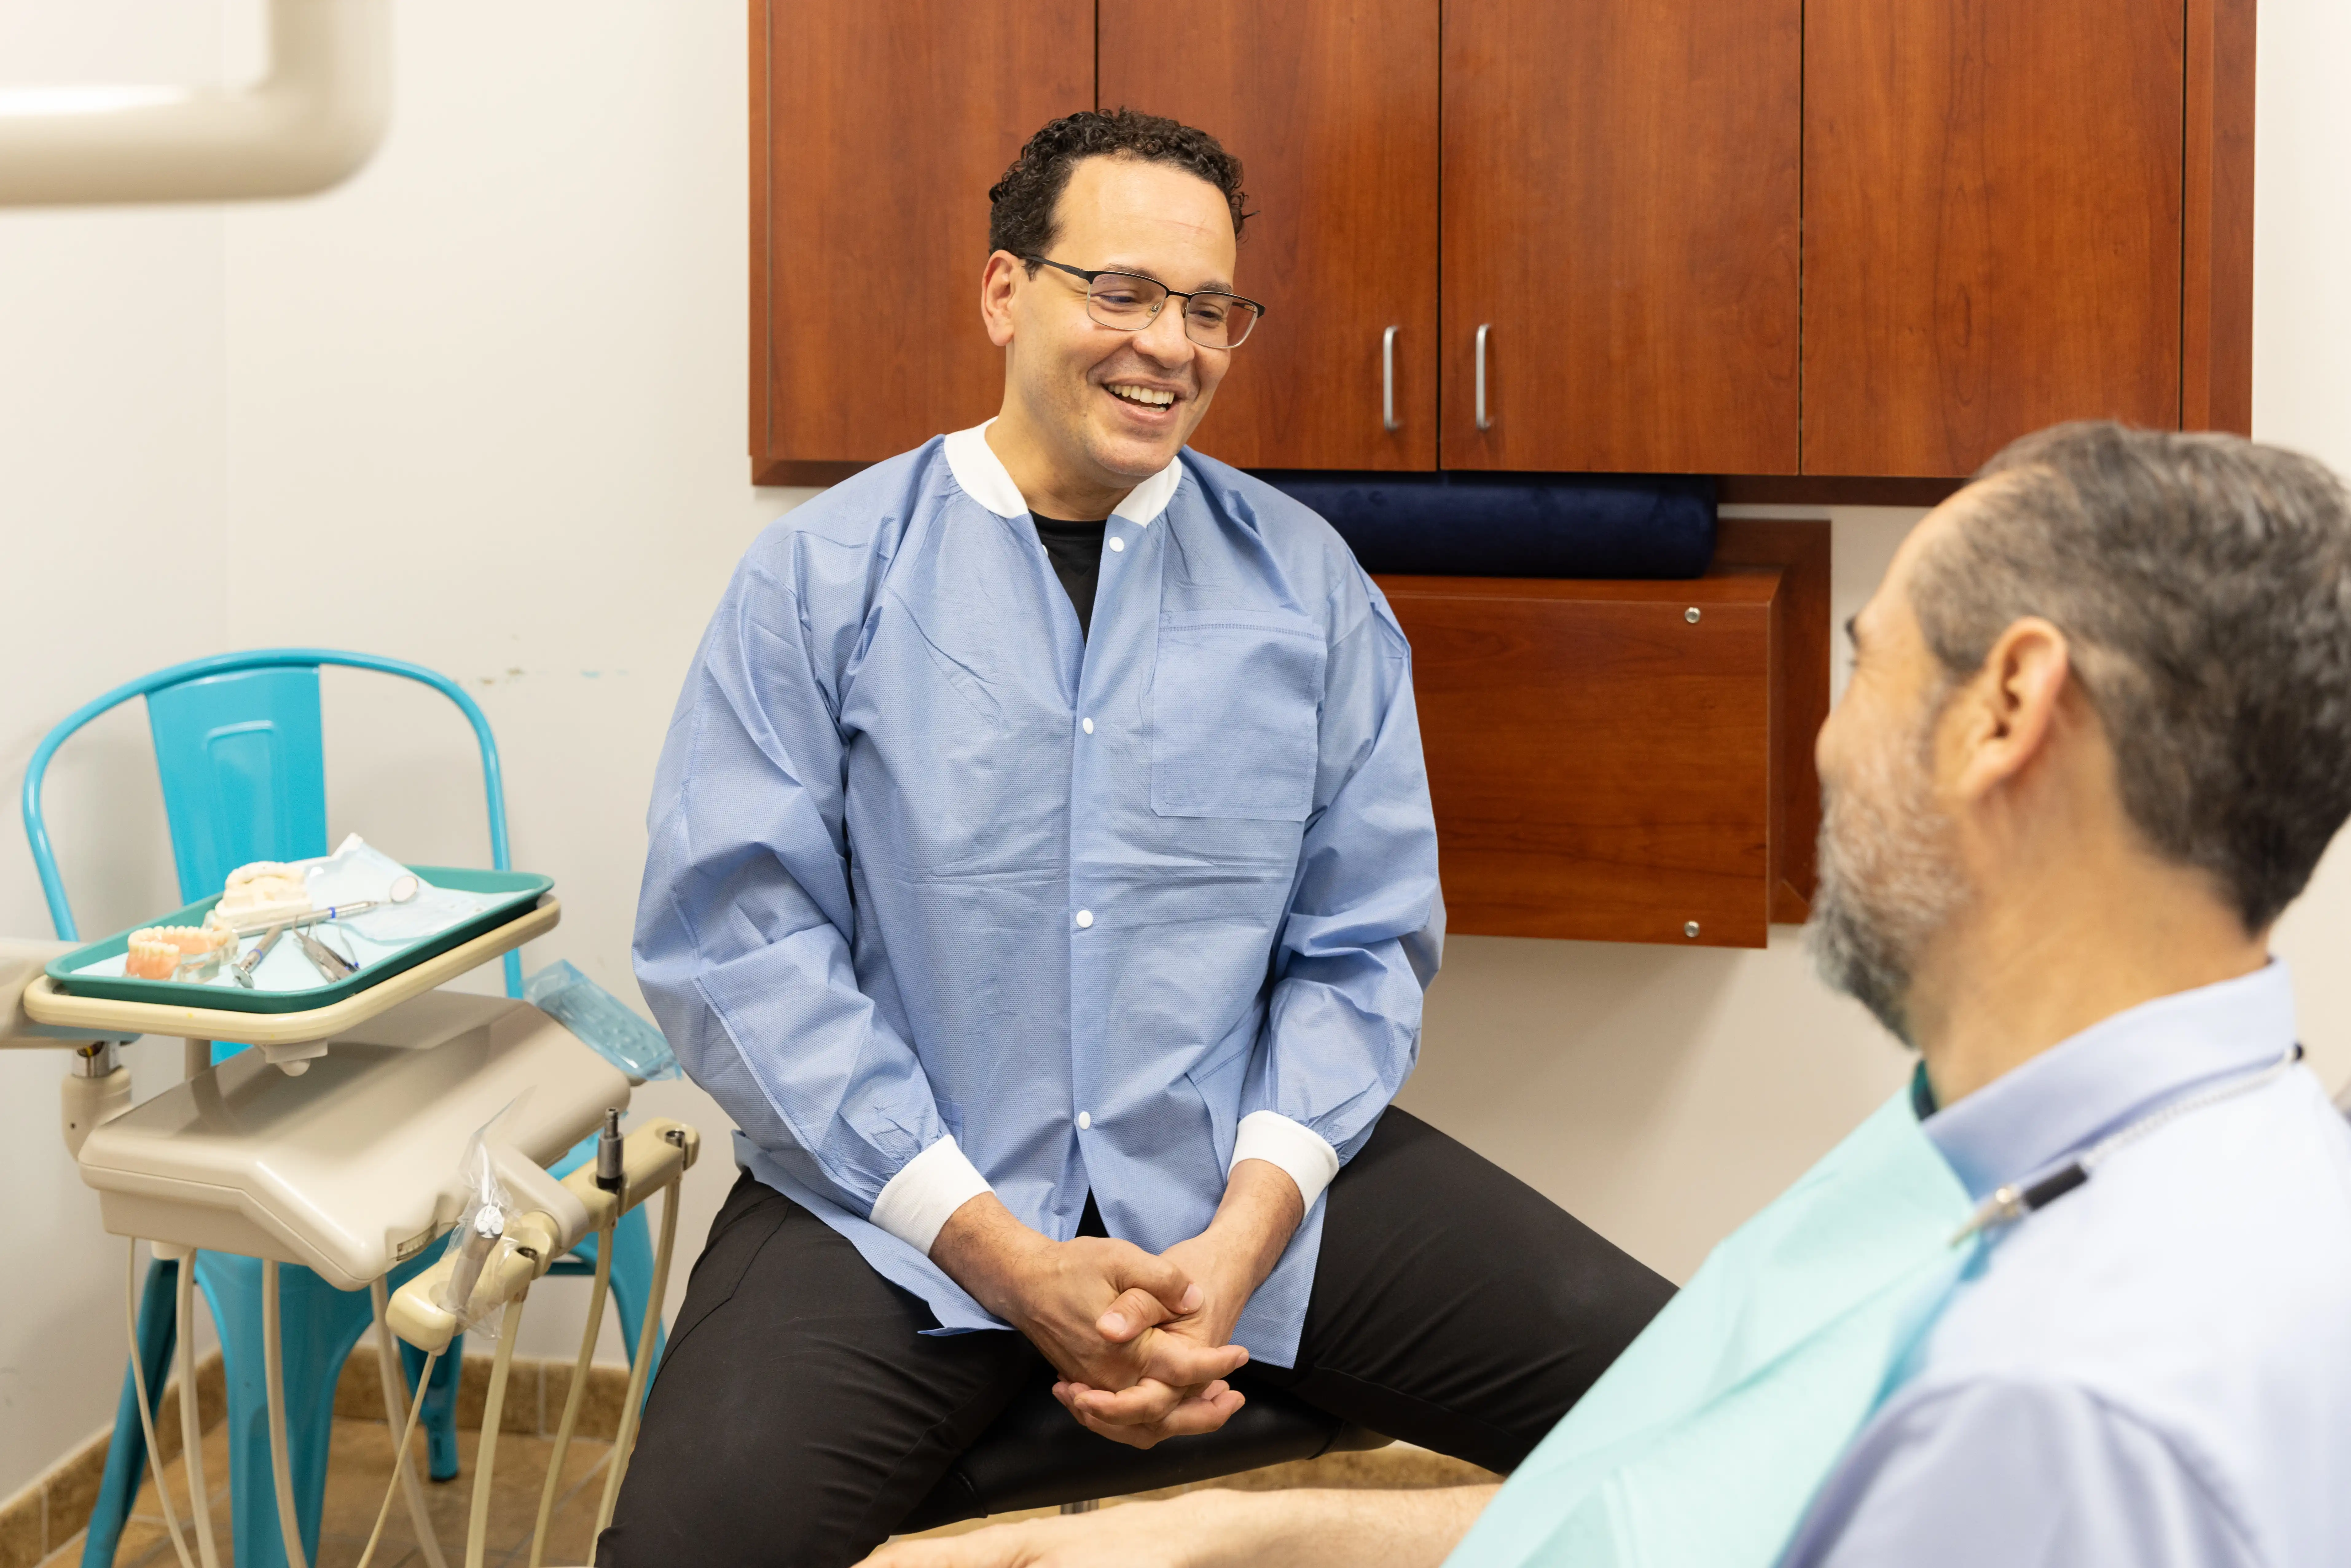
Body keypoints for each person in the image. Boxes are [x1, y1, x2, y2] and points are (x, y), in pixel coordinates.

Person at [867, 423, 2351, 1568]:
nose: (1828, 746)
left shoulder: (2051, 1410)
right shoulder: (2036, 1149)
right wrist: (1234, 1535)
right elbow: (1700, 1525)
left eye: (1864, 660)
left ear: (2006, 713)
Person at [604, 108, 1674, 1567]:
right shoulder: (822, 578)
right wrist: (992, 1245)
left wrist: (1240, 1241)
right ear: (1003, 293)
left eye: (1205, 306)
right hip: (898, 1197)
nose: (1166, 343)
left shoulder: (1305, 588)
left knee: (1694, 1393)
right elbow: (738, 943)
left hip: (1237, 1172)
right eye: (1118, 290)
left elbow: (1359, 947)